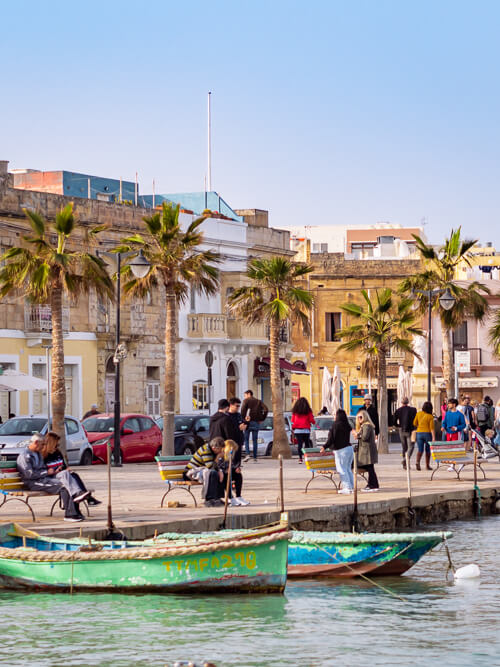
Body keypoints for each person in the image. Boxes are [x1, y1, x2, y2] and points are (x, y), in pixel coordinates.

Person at [16, 434, 87, 522]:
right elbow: (29, 475)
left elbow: (42, 469)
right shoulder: (25, 456)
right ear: (36, 442)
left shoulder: (38, 454)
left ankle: (77, 500)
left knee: (66, 477)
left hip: (44, 479)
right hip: (33, 482)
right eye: (42, 444)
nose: (44, 447)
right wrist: (46, 472)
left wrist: (54, 471)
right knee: (64, 486)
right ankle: (70, 513)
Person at [42, 431, 101, 506]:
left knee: (74, 475)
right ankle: (87, 498)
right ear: (51, 444)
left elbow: (64, 465)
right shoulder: (44, 456)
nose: (57, 447)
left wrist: (65, 468)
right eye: (56, 445)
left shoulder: (58, 453)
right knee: (70, 477)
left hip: (63, 474)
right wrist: (55, 471)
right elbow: (43, 471)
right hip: (53, 477)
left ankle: (83, 496)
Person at [184, 437, 225, 507]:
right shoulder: (205, 450)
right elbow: (210, 466)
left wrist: (220, 471)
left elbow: (216, 466)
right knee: (212, 473)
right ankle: (208, 499)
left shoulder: (213, 451)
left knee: (220, 473)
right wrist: (218, 458)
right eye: (220, 449)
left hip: (202, 471)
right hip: (191, 473)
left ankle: (217, 497)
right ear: (214, 448)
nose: (221, 451)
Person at [321, 408, 354, 493]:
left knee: (342, 469)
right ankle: (351, 486)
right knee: (348, 469)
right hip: (349, 449)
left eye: (335, 414)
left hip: (341, 450)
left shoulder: (335, 425)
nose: (334, 416)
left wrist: (324, 446)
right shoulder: (347, 425)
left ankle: (347, 487)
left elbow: (331, 438)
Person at [216, 439, 250, 506]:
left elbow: (233, 464)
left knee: (238, 475)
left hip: (228, 472)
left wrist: (236, 468)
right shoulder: (220, 455)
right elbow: (219, 465)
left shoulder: (230, 456)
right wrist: (226, 469)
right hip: (220, 474)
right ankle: (230, 497)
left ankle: (238, 496)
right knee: (226, 477)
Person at [240, 390, 268, 463]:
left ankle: (248, 454)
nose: (245, 396)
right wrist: (262, 418)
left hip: (247, 422)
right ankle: (255, 457)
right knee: (255, 440)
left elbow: (243, 411)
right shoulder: (258, 401)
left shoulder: (246, 401)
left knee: (246, 439)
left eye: (245, 395)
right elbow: (266, 409)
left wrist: (243, 420)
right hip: (256, 422)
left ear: (249, 394)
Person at [355, 410, 379, 492]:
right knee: (370, 468)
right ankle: (373, 484)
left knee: (370, 468)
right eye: (358, 417)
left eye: (361, 417)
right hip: (368, 451)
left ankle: (372, 485)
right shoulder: (366, 426)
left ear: (365, 417)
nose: (359, 419)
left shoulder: (366, 426)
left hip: (367, 451)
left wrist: (357, 435)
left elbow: (364, 437)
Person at [393, 397, 417, 469]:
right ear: (408, 402)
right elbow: (415, 420)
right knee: (411, 446)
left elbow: (394, 421)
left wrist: (398, 426)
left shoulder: (398, 410)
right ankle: (405, 460)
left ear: (401, 402)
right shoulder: (413, 410)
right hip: (411, 430)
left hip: (401, 429)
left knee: (404, 447)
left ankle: (405, 464)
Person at [291, 397, 315, 464]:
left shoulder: (295, 411)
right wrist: (313, 422)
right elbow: (311, 420)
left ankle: (300, 458)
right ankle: (306, 457)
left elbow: (292, 420)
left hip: (297, 430)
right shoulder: (308, 411)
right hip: (306, 430)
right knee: (307, 444)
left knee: (300, 445)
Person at [413, 401, 436, 471]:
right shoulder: (430, 416)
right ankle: (427, 465)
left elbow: (414, 423)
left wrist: (420, 426)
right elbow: (432, 428)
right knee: (428, 450)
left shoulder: (418, 413)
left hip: (419, 433)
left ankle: (417, 462)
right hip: (427, 434)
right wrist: (433, 437)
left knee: (420, 449)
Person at [227, 397, 246, 468]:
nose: (238, 408)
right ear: (231, 405)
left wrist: (246, 422)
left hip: (239, 440)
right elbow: (229, 429)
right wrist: (238, 428)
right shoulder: (227, 416)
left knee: (238, 461)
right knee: (230, 460)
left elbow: (242, 424)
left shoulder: (238, 415)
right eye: (236, 406)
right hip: (231, 441)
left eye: (239, 406)